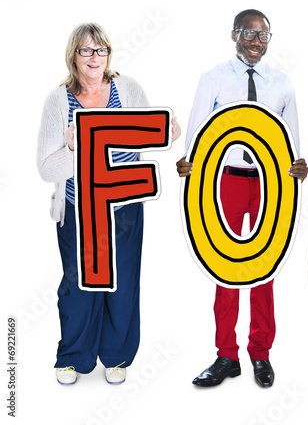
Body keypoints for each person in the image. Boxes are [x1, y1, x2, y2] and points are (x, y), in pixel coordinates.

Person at [37, 23, 179, 386]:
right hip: (78, 210)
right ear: (74, 56)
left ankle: (116, 356)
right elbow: (45, 167)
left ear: (109, 55)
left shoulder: (127, 88)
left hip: (124, 206)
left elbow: (151, 135)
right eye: (86, 51)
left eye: (101, 50)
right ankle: (72, 357)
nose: (94, 58)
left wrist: (170, 132)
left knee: (123, 282)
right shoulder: (58, 100)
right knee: (79, 284)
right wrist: (74, 148)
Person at [177, 9, 308, 389]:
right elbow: (199, 133)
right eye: (249, 34)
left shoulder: (282, 83)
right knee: (226, 269)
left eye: (263, 36)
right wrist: (188, 167)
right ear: (234, 35)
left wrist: (299, 168)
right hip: (227, 180)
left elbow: (291, 137)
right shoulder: (214, 79)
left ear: (270, 40)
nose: (256, 42)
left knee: (265, 268)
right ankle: (226, 355)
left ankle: (261, 354)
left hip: (270, 183)